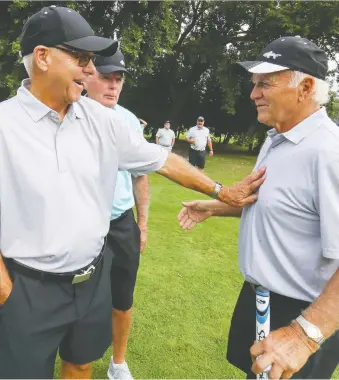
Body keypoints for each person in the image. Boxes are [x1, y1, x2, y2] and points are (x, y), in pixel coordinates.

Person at [0, 6, 266, 379]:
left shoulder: (103, 121)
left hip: (91, 280)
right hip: (27, 287)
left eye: (92, 60)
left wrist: (222, 190)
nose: (91, 71)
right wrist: (6, 291)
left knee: (80, 364)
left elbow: (163, 161)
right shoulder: (5, 126)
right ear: (42, 57)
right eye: (81, 58)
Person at [177, 36, 339, 379]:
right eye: (254, 84)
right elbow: (281, 205)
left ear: (306, 87)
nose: (253, 94)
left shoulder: (329, 152)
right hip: (258, 298)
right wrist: (215, 207)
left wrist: (304, 335)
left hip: (303, 313)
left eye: (265, 83)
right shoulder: (277, 138)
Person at [84, 50, 149, 379]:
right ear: (87, 77)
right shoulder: (69, 115)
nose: (113, 86)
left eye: (118, 80)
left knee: (122, 297)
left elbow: (141, 176)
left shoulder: (128, 120)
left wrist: (143, 224)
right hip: (81, 225)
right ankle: (73, 355)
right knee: (76, 297)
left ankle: (118, 362)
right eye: (106, 78)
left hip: (121, 223)